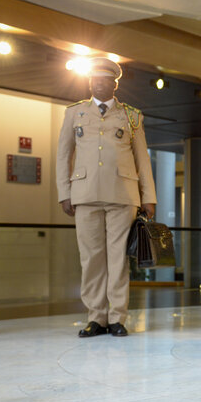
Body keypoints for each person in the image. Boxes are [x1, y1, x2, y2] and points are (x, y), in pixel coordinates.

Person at [56, 57, 157, 338]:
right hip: (85, 193)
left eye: (103, 80)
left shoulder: (132, 116)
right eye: (93, 80)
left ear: (115, 83)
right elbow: (63, 155)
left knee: (117, 259)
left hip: (122, 194)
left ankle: (117, 317)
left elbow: (142, 159)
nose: (97, 83)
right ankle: (96, 317)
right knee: (91, 258)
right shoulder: (75, 113)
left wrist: (148, 196)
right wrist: (64, 192)